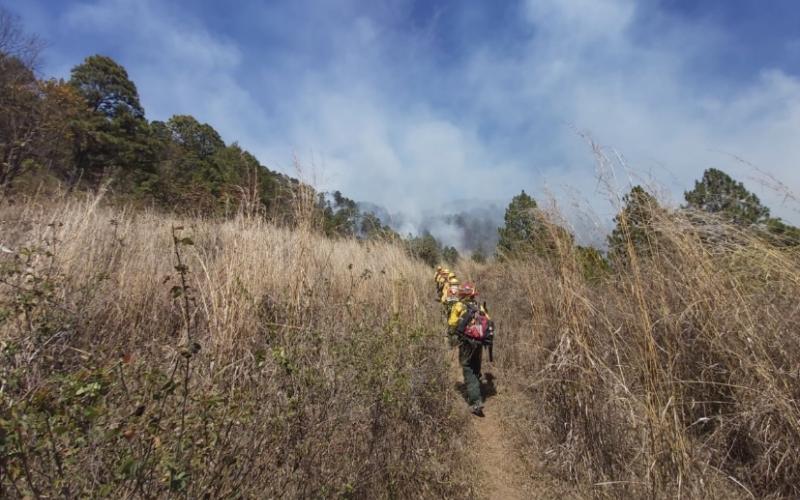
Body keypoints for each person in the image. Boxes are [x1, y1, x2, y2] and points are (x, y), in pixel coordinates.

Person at [448, 282, 489, 416]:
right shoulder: (479, 306)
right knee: (476, 366)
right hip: (479, 342)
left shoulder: (458, 305)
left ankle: (476, 402)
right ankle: (476, 389)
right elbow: (488, 321)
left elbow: (452, 323)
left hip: (466, 342)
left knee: (468, 368)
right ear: (473, 294)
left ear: (462, 294)